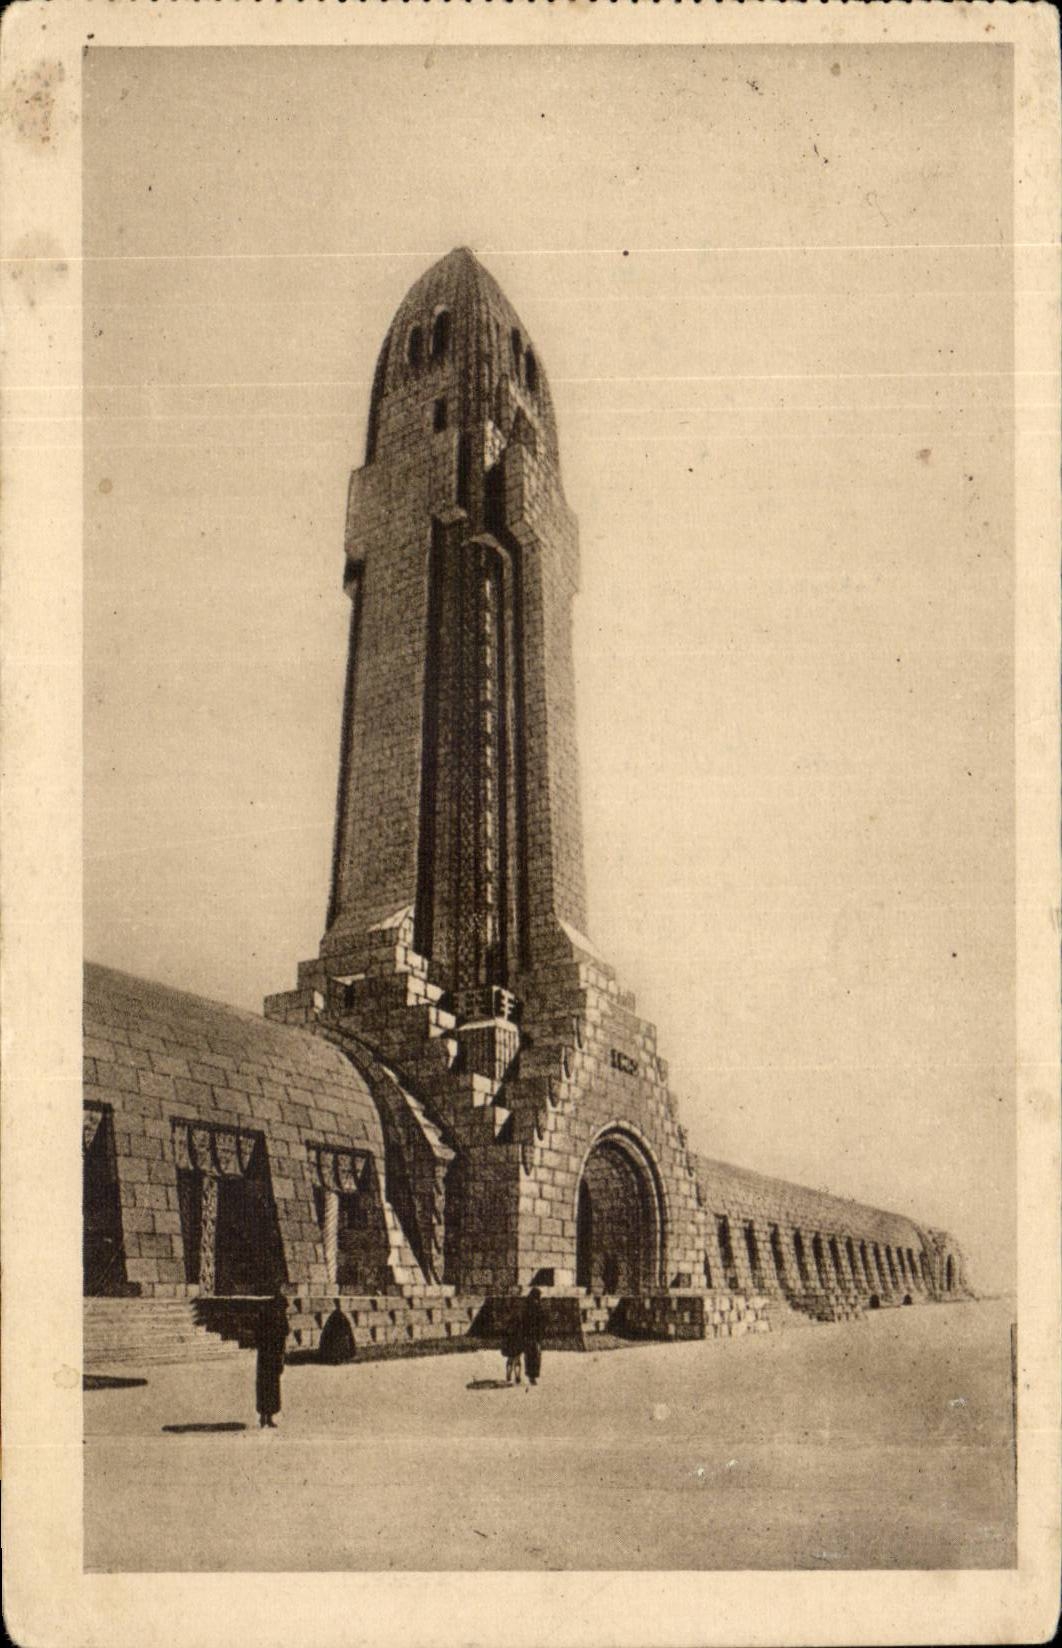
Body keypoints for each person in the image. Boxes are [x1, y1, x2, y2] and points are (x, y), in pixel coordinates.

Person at [255, 1290, 289, 1428]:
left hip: (265, 1356)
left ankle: (265, 1417)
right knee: (271, 1387)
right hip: (272, 1355)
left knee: (265, 1386)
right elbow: (285, 1332)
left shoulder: (267, 1315)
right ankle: (267, 1417)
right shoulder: (278, 1317)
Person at [521, 1285, 546, 1388]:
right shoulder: (535, 1306)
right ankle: (533, 1376)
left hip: (529, 1335)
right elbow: (541, 1320)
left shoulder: (527, 1305)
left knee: (530, 1356)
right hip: (534, 1335)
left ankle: (531, 1375)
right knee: (535, 1356)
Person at [501, 1313, 523, 1385]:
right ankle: (517, 1376)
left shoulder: (507, 1326)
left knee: (510, 1360)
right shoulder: (520, 1326)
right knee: (517, 1360)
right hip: (517, 1343)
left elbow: (504, 1336)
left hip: (510, 1343)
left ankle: (508, 1375)